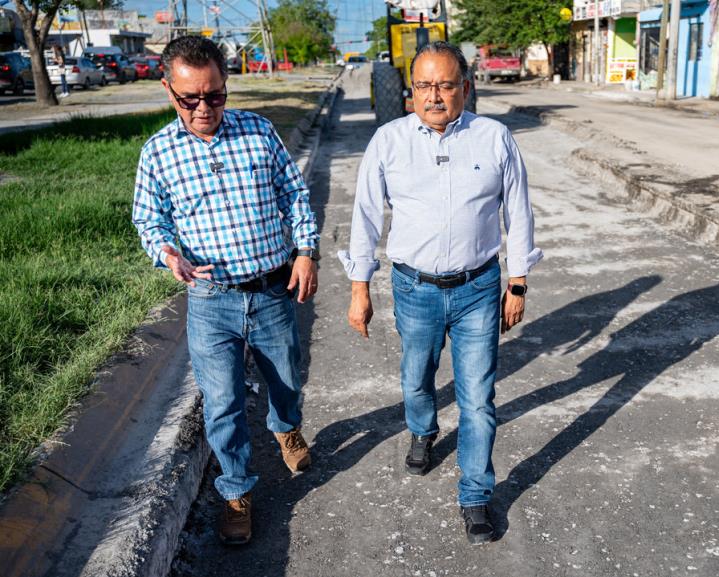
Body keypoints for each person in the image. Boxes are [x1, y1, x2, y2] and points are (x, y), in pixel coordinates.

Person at [340, 40, 542, 545]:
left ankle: (475, 496)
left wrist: (517, 281)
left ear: (465, 89)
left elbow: (517, 214)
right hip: (414, 288)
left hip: (478, 287)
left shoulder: (494, 138)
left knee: (478, 400)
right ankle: (423, 428)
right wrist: (358, 288)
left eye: (445, 85)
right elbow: (364, 218)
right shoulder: (388, 141)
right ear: (411, 91)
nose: (435, 96)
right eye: (424, 86)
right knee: (417, 377)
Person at [131, 35, 320, 545]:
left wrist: (305, 251)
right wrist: (167, 252)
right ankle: (236, 492)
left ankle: (286, 427)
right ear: (169, 90)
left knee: (285, 382)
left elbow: (294, 195)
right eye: (189, 98)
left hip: (271, 291)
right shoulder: (157, 154)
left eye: (214, 96)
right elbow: (150, 221)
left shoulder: (259, 132)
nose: (203, 108)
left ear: (226, 86)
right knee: (222, 404)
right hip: (210, 301)